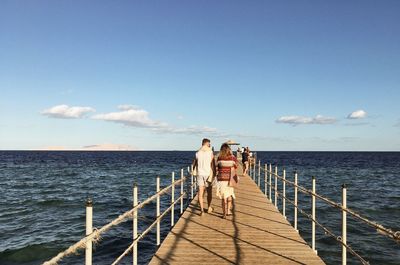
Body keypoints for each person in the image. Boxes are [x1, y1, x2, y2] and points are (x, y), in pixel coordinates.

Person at [193, 138, 216, 216]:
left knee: (200, 192)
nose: (210, 145)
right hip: (208, 173)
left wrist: (193, 171)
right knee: (209, 192)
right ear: (206, 144)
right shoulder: (210, 152)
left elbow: (194, 164)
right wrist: (215, 173)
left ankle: (202, 211)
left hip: (200, 173)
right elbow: (213, 164)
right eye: (209, 144)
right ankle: (209, 207)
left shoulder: (197, 153)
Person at [216, 143, 237, 219]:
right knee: (229, 195)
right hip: (230, 179)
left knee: (223, 197)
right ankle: (228, 211)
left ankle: (224, 213)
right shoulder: (232, 158)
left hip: (221, 179)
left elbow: (217, 167)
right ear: (229, 150)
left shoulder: (219, 158)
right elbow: (236, 166)